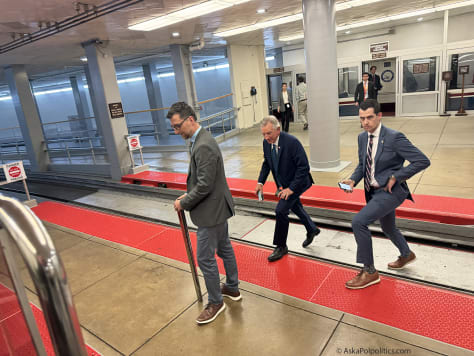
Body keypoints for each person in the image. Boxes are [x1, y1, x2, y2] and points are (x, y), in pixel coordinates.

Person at [340, 99, 430, 290]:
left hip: (391, 192)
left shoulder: (394, 137)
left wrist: (397, 176)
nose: (365, 122)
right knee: (388, 227)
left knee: (359, 222)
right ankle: (406, 254)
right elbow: (363, 165)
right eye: (362, 118)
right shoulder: (362, 138)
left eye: (370, 118)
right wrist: (353, 180)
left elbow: (422, 161)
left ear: (379, 116)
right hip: (373, 192)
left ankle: (370, 271)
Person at [168, 102, 241, 324]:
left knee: (205, 258)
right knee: (225, 248)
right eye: (173, 127)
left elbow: (204, 185)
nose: (176, 131)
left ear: (190, 119)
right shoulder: (199, 140)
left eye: (178, 126)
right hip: (217, 207)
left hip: (211, 211)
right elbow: (203, 181)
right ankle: (232, 288)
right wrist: (186, 195)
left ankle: (216, 302)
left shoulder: (203, 146)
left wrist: (185, 202)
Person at [256, 116, 320, 262]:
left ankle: (281, 246)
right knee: (295, 205)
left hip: (298, 183)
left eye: (269, 133)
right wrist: (261, 182)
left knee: (281, 210)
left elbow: (304, 167)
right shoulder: (267, 143)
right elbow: (267, 163)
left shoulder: (292, 143)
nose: (266, 137)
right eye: (263, 134)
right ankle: (312, 229)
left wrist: (291, 189)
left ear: (278, 130)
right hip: (284, 184)